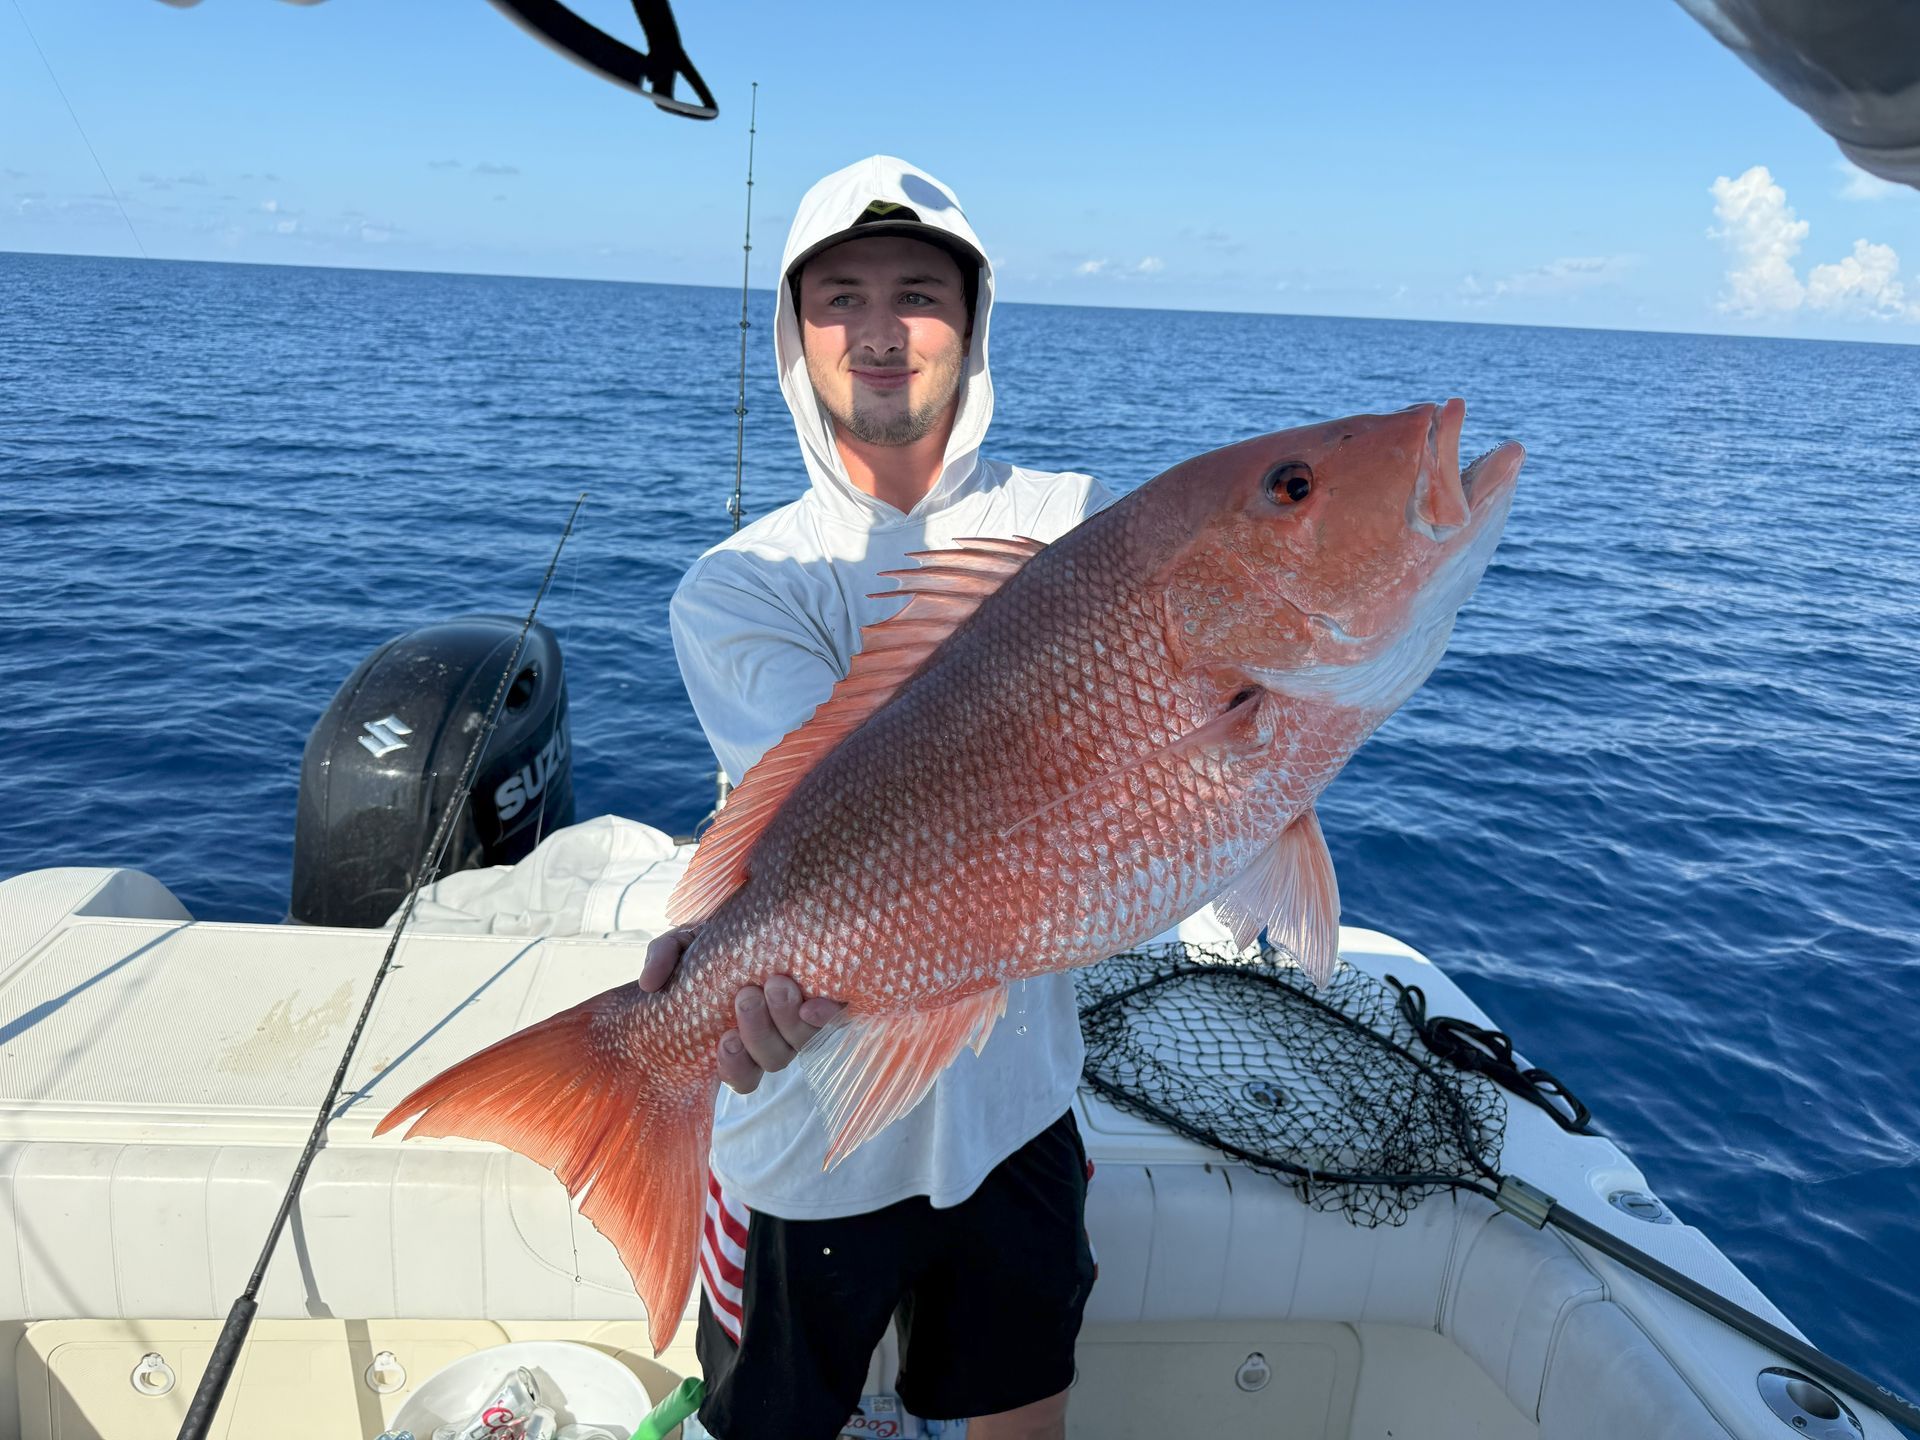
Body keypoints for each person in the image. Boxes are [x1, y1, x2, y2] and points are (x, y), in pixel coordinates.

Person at [643, 156, 1111, 1440]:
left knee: (1026, 1410)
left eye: (918, 293)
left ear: (973, 324)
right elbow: (850, 788)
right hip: (807, 1128)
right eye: (839, 297)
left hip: (1018, 1109)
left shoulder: (1073, 523)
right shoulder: (741, 585)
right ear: (796, 338)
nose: (880, 329)